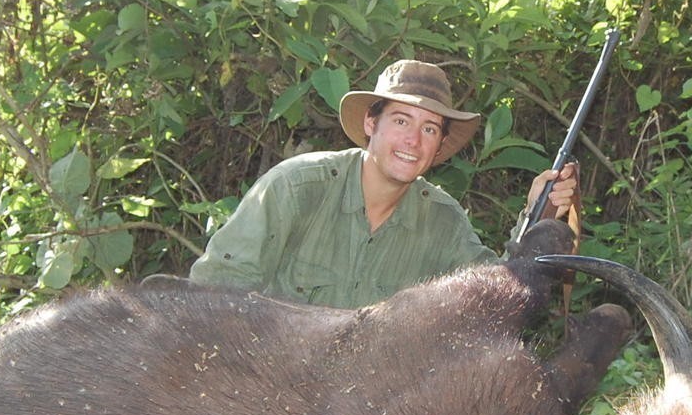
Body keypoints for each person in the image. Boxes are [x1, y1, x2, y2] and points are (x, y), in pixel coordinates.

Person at [185, 58, 577, 308]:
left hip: (370, 410)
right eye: (401, 121)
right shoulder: (296, 188)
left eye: (429, 129)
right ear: (371, 124)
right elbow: (215, 292)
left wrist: (536, 215)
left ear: (439, 146)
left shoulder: (442, 222)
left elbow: (494, 301)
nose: (413, 140)